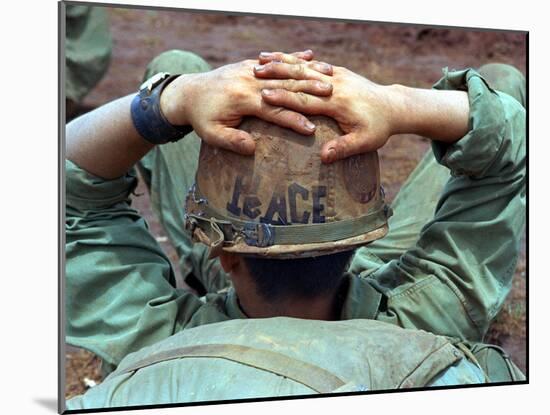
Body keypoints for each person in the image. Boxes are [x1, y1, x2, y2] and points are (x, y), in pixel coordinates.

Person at [64, 49, 526, 409]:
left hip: (237, 277)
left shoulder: (162, 341)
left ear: (222, 256)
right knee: (499, 84)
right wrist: (397, 103)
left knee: (174, 69)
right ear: (364, 238)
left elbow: (65, 179)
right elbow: (513, 138)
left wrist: (174, 99)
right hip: (361, 293)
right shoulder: (427, 318)